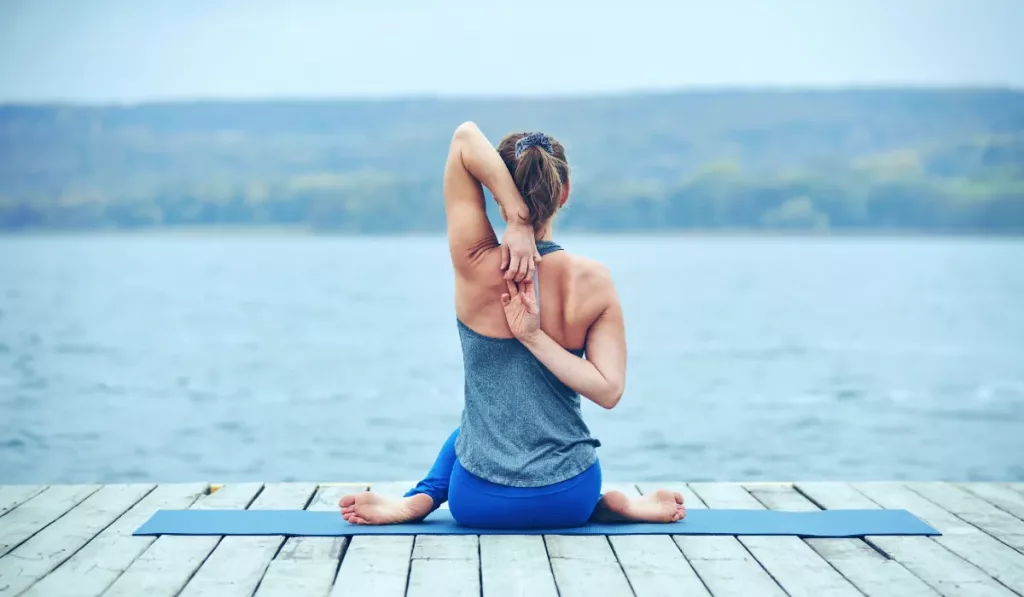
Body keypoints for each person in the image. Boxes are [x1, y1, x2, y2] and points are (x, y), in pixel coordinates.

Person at [339, 122, 685, 529]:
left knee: (478, 423)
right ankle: (605, 503)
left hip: (477, 500)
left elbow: (465, 137)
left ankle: (422, 498)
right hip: (570, 498)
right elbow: (608, 392)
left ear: (494, 192)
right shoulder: (595, 280)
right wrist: (536, 340)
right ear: (565, 190)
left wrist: (516, 221)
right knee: (495, 422)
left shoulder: (475, 262)